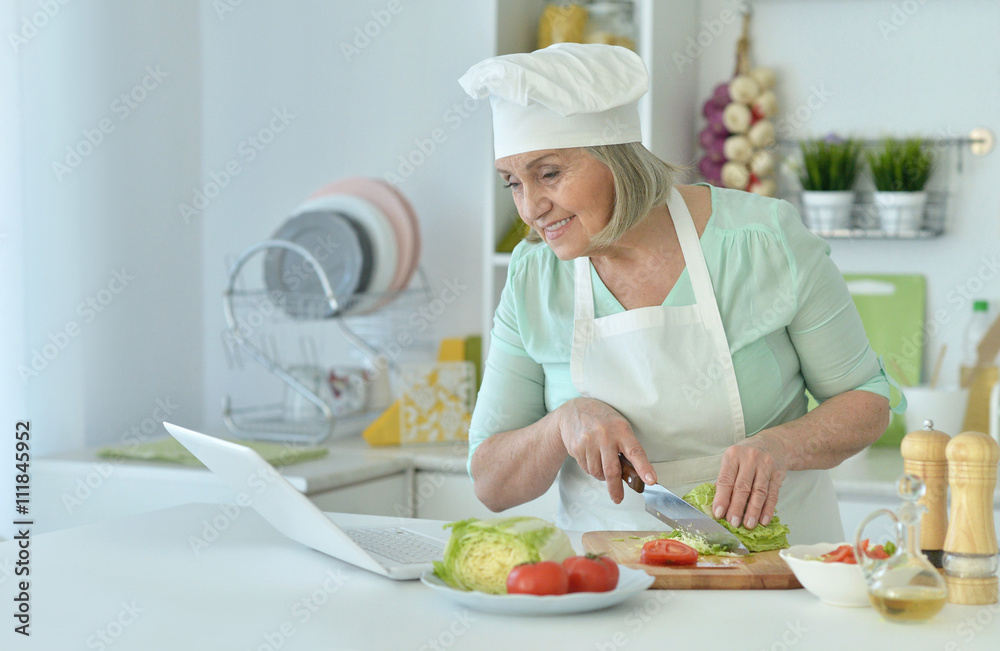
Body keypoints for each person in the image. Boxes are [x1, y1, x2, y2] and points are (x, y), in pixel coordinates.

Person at [458, 43, 893, 544]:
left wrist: (782, 445)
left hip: (773, 569)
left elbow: (867, 401)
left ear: (616, 158)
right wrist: (562, 424)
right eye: (512, 182)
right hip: (610, 587)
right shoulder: (533, 277)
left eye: (549, 173)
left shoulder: (762, 240)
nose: (531, 207)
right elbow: (490, 481)